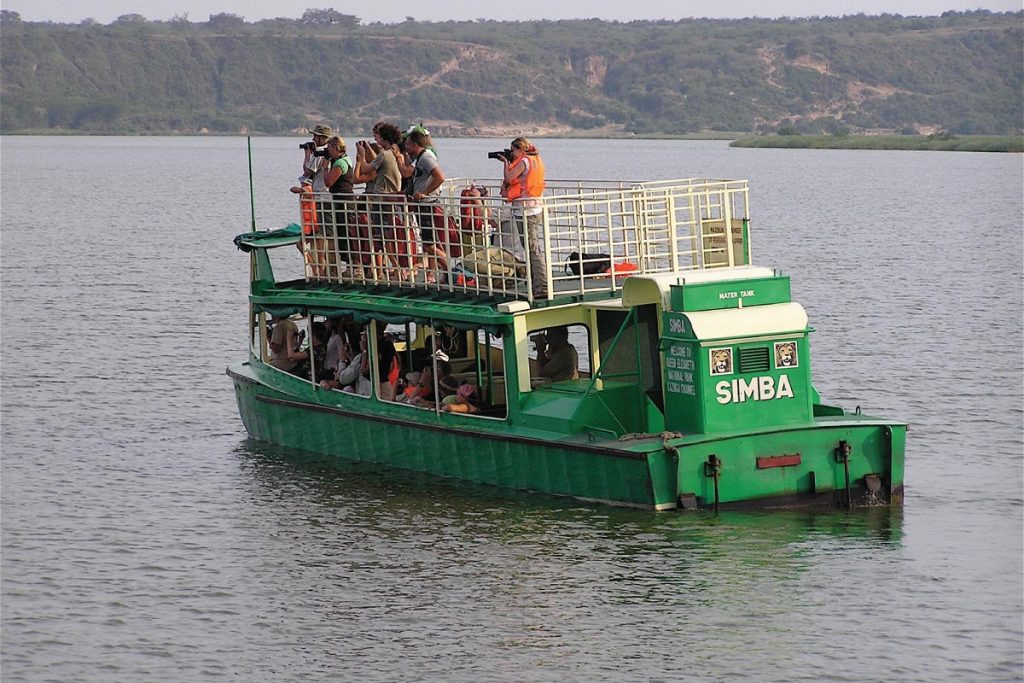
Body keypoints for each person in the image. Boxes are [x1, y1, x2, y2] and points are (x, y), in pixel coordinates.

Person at [497, 137, 547, 298]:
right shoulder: (535, 159)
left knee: (533, 249)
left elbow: (509, 178)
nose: (511, 153)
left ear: (520, 149)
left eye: (512, 151)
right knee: (531, 248)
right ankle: (535, 283)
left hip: (526, 210)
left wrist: (506, 163)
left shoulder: (525, 160)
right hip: (533, 208)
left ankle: (542, 286)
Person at [398, 128, 448, 282]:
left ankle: (451, 269)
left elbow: (440, 177)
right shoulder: (420, 158)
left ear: (414, 144)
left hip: (427, 204)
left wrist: (425, 192)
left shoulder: (426, 157)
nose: (405, 147)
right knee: (429, 243)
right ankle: (445, 272)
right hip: (422, 204)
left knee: (429, 245)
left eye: (407, 144)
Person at [290, 123, 332, 276]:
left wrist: (308, 153)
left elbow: (307, 171)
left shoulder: (321, 152)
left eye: (316, 136)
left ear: (322, 138)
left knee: (317, 238)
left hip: (320, 198)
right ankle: (321, 270)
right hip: (325, 197)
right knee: (322, 238)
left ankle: (318, 271)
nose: (313, 139)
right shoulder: (331, 153)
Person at [322, 135, 356, 279]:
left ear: (336, 148)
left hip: (343, 201)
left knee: (345, 234)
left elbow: (328, 182)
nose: (328, 151)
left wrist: (325, 168)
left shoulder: (340, 163)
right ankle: (350, 266)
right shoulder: (345, 160)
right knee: (346, 233)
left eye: (329, 148)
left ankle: (351, 266)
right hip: (343, 201)